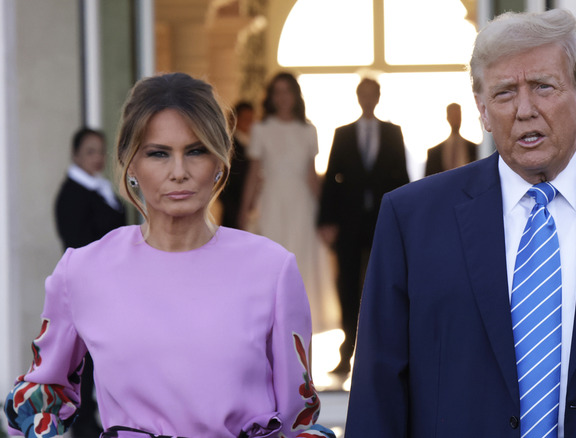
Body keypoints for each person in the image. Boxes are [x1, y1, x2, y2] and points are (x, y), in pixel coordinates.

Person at [346, 9, 576, 438]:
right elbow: (377, 393)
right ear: (483, 111)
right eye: (505, 93)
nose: (524, 109)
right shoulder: (411, 220)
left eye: (543, 87)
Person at [4, 72, 334, 438]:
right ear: (130, 164)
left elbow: (297, 420)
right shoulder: (82, 271)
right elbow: (42, 395)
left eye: (196, 151)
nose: (179, 172)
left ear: (220, 161)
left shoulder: (272, 270)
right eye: (158, 153)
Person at [318, 77, 409, 375]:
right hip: (349, 222)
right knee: (347, 284)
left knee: (383, 282)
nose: (368, 98)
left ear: (378, 97)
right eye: (364, 94)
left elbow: (402, 179)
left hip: (383, 221)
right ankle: (347, 352)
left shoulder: (392, 132)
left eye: (373, 94)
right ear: (358, 97)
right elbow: (332, 178)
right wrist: (327, 221)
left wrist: (405, 221)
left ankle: (381, 352)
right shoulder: (343, 133)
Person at [240, 72, 339, 335]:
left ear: (295, 96)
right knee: (272, 265)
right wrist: (243, 211)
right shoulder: (261, 130)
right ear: (271, 97)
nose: (283, 97)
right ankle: (272, 329)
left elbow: (311, 175)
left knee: (301, 265)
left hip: (303, 208)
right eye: (277, 92)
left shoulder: (308, 131)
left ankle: (299, 332)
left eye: (287, 91)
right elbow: (253, 173)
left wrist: (327, 216)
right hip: (272, 204)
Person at [54, 127, 126, 437]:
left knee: (100, 356)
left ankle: (93, 417)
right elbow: (78, 244)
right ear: (75, 155)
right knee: (84, 357)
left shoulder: (100, 188)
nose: (97, 157)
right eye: (90, 151)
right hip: (88, 288)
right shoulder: (73, 193)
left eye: (101, 151)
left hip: (108, 285)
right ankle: (81, 423)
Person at [218, 100, 254, 229]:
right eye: (245, 119)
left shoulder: (251, 144)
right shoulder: (229, 147)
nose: (249, 123)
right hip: (233, 207)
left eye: (251, 119)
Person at [424, 103, 478, 176]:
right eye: (453, 115)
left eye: (457, 115)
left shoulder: (475, 149)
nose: (455, 119)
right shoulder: (433, 153)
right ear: (447, 117)